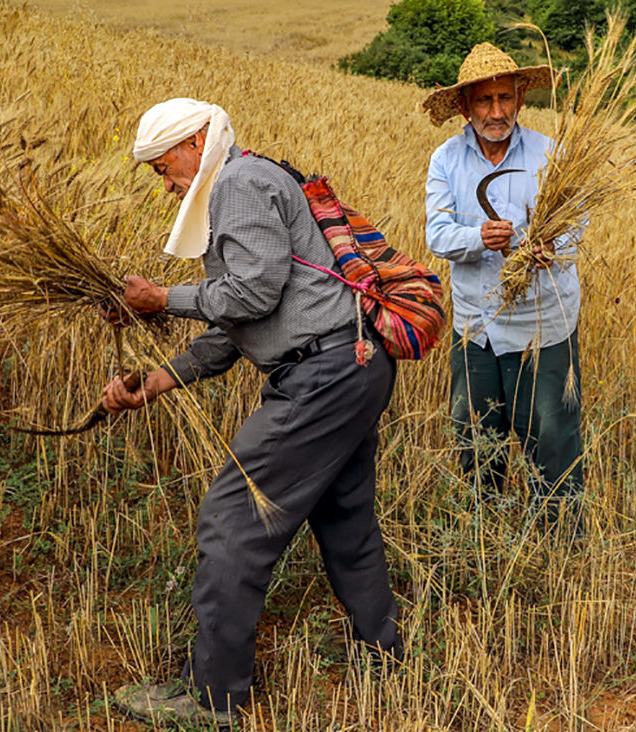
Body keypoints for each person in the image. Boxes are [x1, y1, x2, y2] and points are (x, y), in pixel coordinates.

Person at [103, 98, 402, 727]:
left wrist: (163, 299)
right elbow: (234, 324)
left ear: (197, 142)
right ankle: (384, 658)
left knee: (231, 520)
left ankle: (212, 699)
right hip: (352, 365)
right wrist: (156, 382)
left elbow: (253, 291)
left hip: (322, 375)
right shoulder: (246, 183)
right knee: (344, 515)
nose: (167, 183)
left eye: (166, 167)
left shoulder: (237, 181)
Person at [422, 43, 584, 526]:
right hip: (477, 327)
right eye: (484, 101)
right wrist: (478, 237)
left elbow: (576, 221)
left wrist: (549, 245)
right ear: (464, 107)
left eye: (505, 99)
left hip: (541, 323)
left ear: (519, 99)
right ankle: (485, 536)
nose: (497, 112)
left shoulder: (548, 154)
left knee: (551, 438)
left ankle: (560, 545)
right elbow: (437, 232)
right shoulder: (446, 160)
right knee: (477, 437)